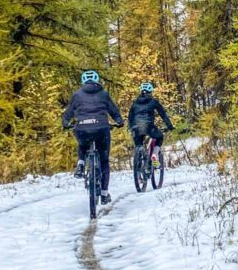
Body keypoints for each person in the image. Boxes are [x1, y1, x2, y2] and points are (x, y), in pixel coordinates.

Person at [63, 70, 124, 204]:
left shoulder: (77, 95)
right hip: (101, 128)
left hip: (82, 128)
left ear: (83, 81)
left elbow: (68, 112)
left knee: (82, 144)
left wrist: (65, 123)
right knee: (104, 161)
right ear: (97, 81)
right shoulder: (104, 94)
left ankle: (81, 163)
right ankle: (104, 194)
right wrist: (119, 121)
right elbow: (113, 110)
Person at [128, 82, 174, 165]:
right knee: (160, 137)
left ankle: (139, 158)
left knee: (139, 144)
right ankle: (154, 154)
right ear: (151, 91)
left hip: (136, 127)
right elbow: (163, 114)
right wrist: (169, 125)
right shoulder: (153, 102)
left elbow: (130, 116)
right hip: (149, 127)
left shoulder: (135, 103)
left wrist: (130, 127)